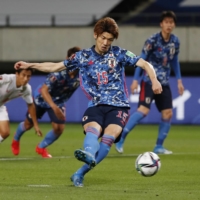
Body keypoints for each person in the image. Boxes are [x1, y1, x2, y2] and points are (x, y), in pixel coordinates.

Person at [14, 17, 162, 187]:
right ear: (95, 35)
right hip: (96, 106)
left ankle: (80, 173)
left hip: (119, 106)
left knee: (107, 139)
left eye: (110, 40)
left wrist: (154, 80)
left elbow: (145, 64)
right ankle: (89, 153)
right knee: (93, 131)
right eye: (103, 38)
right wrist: (29, 64)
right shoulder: (82, 57)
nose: (106, 43)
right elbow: (54, 67)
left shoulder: (120, 54)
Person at [115, 11, 184, 155]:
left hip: (163, 83)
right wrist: (135, 80)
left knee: (168, 113)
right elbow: (141, 60)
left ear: (174, 25)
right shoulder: (152, 40)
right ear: (161, 24)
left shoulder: (175, 42)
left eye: (171, 22)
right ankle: (120, 138)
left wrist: (179, 80)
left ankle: (159, 146)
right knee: (143, 110)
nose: (169, 25)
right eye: (166, 22)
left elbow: (174, 61)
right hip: (149, 81)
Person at [11, 46, 81, 158]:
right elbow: (44, 90)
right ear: (67, 58)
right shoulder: (59, 72)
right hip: (41, 99)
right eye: (72, 59)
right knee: (28, 125)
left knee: (59, 128)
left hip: (59, 101)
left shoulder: (81, 74)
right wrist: (54, 107)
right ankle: (16, 138)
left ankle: (41, 147)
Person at [0, 69, 42, 146]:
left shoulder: (26, 89)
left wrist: (36, 125)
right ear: (17, 74)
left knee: (5, 132)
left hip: (0, 106)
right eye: (23, 75)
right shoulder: (7, 79)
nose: (26, 78)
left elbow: (31, 106)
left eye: (28, 76)